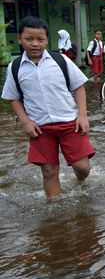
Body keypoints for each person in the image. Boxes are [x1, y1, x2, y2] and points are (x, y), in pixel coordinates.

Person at [1, 16, 94, 200]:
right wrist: (26, 122)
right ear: (20, 39)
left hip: (70, 123)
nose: (35, 44)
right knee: (49, 170)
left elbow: (79, 86)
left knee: (82, 167)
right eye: (29, 39)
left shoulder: (60, 61)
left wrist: (82, 115)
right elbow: (13, 98)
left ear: (47, 40)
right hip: (40, 128)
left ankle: (80, 180)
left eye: (40, 39)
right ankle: (55, 209)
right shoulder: (15, 67)